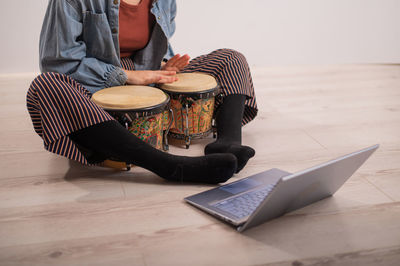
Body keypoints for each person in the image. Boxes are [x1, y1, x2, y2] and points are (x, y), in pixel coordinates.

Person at [26, 0, 258, 184]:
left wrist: (165, 67)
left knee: (231, 59)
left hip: (147, 75)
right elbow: (58, 63)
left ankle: (227, 142)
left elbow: (158, 45)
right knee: (45, 86)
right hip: (94, 82)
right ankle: (168, 165)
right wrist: (126, 76)